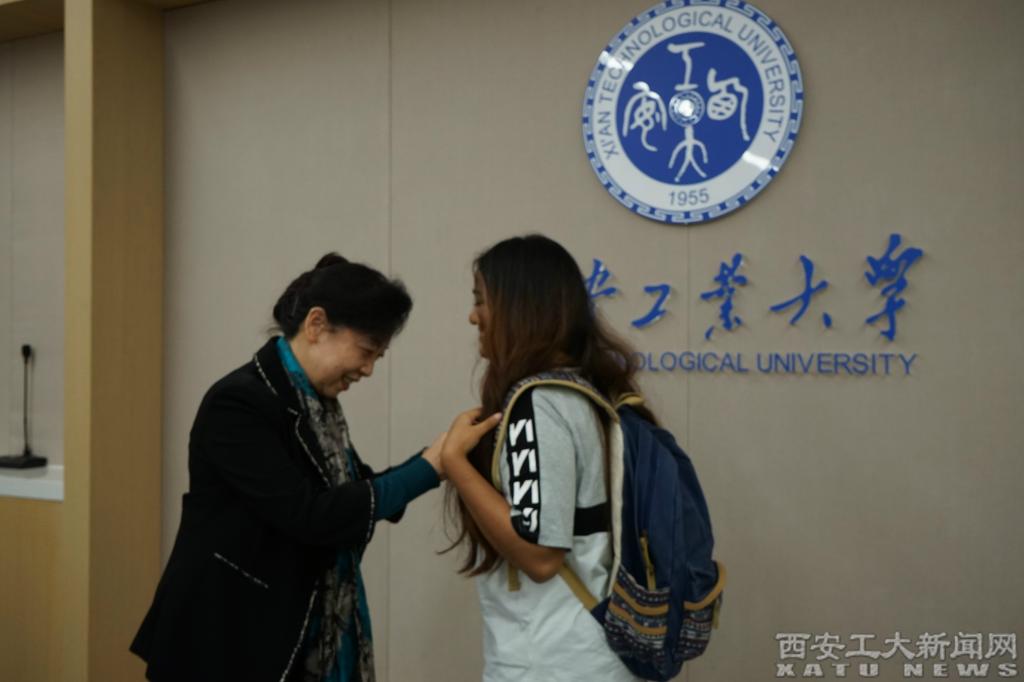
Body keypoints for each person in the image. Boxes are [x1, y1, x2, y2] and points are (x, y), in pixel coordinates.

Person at [132, 253, 463, 682]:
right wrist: (428, 468)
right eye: (366, 351)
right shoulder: (238, 403)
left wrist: (439, 458)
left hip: (288, 631)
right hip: (230, 640)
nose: (367, 369)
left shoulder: (317, 406)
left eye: (377, 357)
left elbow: (354, 490)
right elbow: (312, 515)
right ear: (316, 324)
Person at [440, 235, 652, 681]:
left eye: (480, 300)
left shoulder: (538, 405)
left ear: (519, 308)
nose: (473, 316)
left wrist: (455, 463)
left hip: (554, 659)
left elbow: (540, 555)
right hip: (587, 651)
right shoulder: (588, 393)